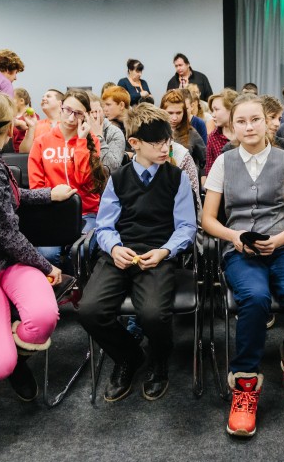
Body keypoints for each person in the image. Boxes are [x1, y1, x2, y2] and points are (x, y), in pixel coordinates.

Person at [202, 93, 284, 438]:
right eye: (241, 121)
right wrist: (233, 236)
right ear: (232, 126)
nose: (249, 126)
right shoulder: (224, 162)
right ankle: (245, 385)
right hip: (240, 248)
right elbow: (208, 219)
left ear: (268, 122)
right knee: (254, 299)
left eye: (255, 119)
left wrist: (278, 240)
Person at [78, 105, 197, 402]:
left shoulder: (176, 177)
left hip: (158, 253)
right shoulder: (118, 178)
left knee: (153, 314)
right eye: (156, 143)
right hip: (119, 252)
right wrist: (114, 247)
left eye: (167, 141)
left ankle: (159, 359)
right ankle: (129, 357)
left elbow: (186, 226)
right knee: (90, 311)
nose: (165, 148)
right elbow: (104, 226)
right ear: (134, 143)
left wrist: (165, 251)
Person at [0, 91, 71, 403]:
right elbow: (9, 234)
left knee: (43, 319)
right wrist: (47, 266)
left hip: (9, 262)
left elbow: (5, 197)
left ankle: (7, 352)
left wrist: (47, 194)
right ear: (9, 127)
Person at [28, 90, 106, 266]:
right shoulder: (41, 142)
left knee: (78, 252)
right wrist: (52, 197)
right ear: (61, 107)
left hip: (87, 212)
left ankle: (76, 284)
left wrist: (81, 141)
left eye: (78, 113)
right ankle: (58, 283)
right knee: (47, 255)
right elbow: (36, 187)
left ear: (85, 116)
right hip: (52, 212)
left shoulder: (92, 140)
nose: (71, 118)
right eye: (68, 110)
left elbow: (83, 179)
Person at [161, 89, 206, 175]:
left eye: (178, 113)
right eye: (170, 113)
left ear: (184, 113)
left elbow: (205, 159)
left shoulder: (191, 133)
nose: (174, 118)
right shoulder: (156, 132)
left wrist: (203, 175)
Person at [86, 90, 125, 171]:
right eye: (90, 112)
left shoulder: (115, 132)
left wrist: (98, 138)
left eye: (97, 111)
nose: (95, 116)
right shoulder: (76, 131)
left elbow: (112, 167)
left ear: (103, 111)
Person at [203, 88, 238, 179]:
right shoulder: (213, 137)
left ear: (231, 109)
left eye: (216, 110)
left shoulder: (246, 133)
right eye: (212, 110)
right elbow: (210, 170)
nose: (213, 115)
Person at [9, 87, 38, 153]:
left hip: (25, 153)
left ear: (21, 101)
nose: (9, 101)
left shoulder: (31, 117)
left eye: (12, 98)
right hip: (12, 152)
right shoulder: (12, 117)